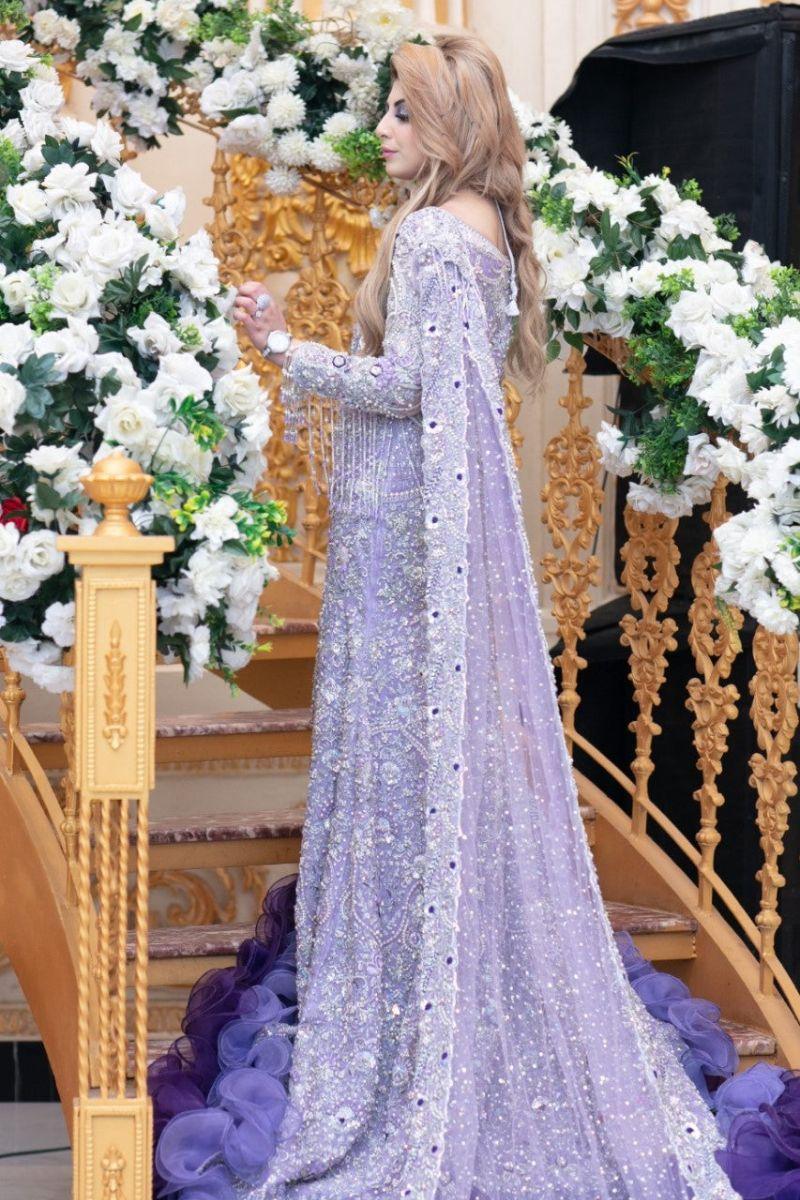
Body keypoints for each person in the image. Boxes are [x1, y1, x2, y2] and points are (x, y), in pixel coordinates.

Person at [151, 32, 741, 1200]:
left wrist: (282, 348)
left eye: (402, 113)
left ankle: (400, 1033)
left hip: (397, 549)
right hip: (425, 538)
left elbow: (407, 387)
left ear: (452, 126)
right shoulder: (485, 234)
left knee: (391, 780)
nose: (381, 130)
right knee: (422, 782)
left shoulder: (429, 237)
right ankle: (436, 996)